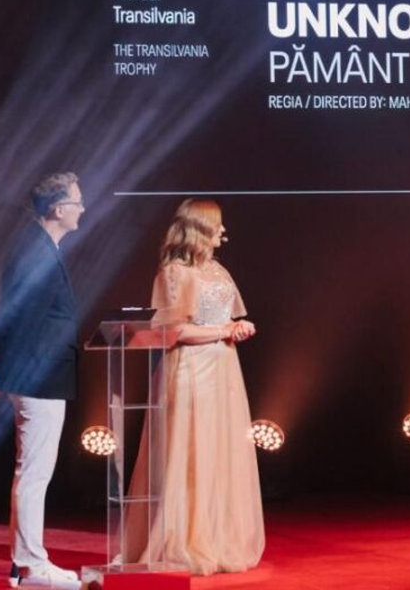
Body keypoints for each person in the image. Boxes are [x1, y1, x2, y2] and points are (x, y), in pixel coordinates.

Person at [125, 199, 264, 575]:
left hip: (223, 367)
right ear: (200, 229)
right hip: (191, 369)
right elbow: (175, 331)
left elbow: (228, 317)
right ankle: (182, 540)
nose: (223, 231)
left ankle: (215, 536)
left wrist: (238, 327)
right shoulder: (174, 273)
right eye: (217, 225)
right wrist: (225, 330)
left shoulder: (217, 269)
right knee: (189, 450)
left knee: (218, 449)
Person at [0, 172, 85, 588]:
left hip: (37, 372)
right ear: (58, 209)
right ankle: (30, 566)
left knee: (33, 472)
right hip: (38, 375)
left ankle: (24, 563)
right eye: (77, 202)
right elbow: (19, 314)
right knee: (34, 473)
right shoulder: (36, 251)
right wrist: (6, 366)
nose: (83, 209)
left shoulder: (40, 247)